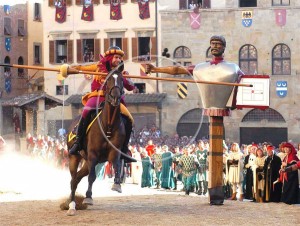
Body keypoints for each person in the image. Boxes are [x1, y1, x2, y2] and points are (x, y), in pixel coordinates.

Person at [68, 46, 136, 163]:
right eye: (116, 57)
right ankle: (78, 142)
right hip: (98, 96)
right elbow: (83, 68)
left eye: (120, 58)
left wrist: (129, 80)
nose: (118, 60)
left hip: (114, 100)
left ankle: (124, 149)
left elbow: (129, 86)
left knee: (129, 119)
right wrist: (70, 69)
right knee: (86, 111)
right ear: (110, 57)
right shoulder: (98, 66)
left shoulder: (121, 72)